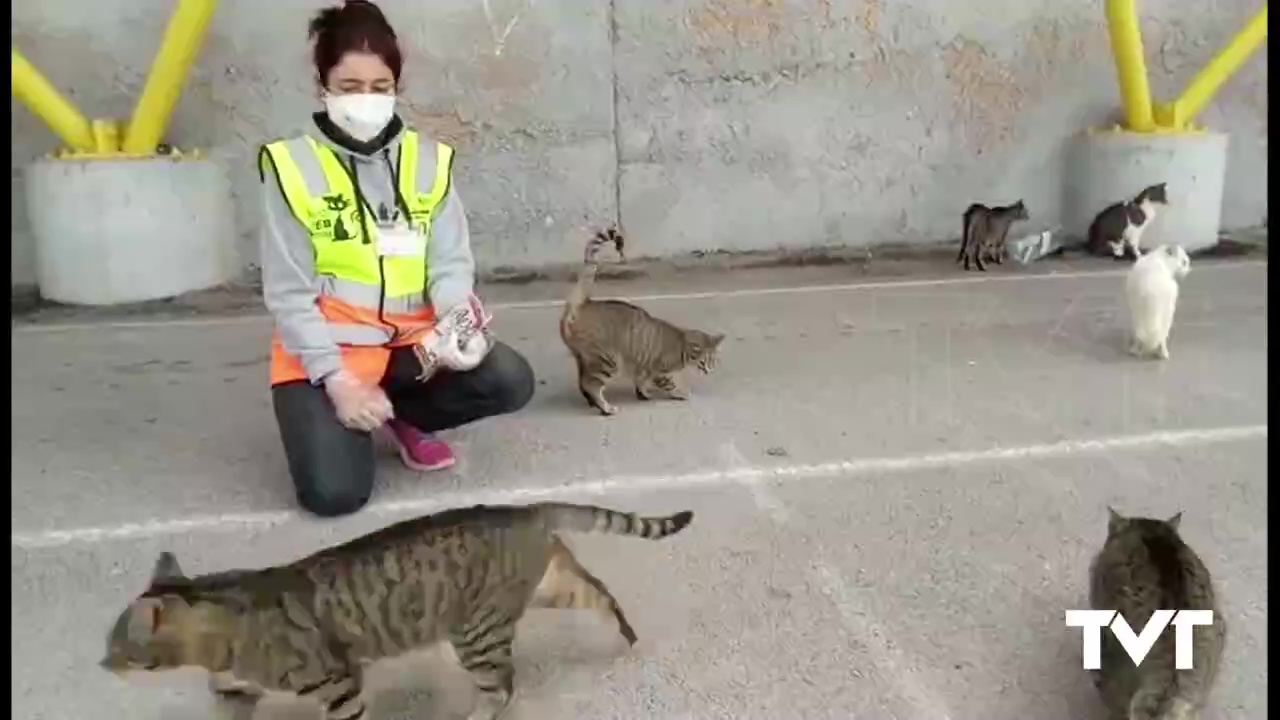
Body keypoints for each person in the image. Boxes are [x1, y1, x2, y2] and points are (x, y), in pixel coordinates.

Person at [257, 0, 535, 518]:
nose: (366, 100)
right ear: (323, 86)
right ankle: (351, 411)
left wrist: (457, 321)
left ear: (397, 88)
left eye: (380, 88)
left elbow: (450, 262)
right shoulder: (291, 167)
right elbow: (288, 294)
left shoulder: (428, 160)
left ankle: (402, 415)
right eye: (349, 87)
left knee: (507, 378)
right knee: (334, 494)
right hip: (331, 355)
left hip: (413, 349)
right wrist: (338, 383)